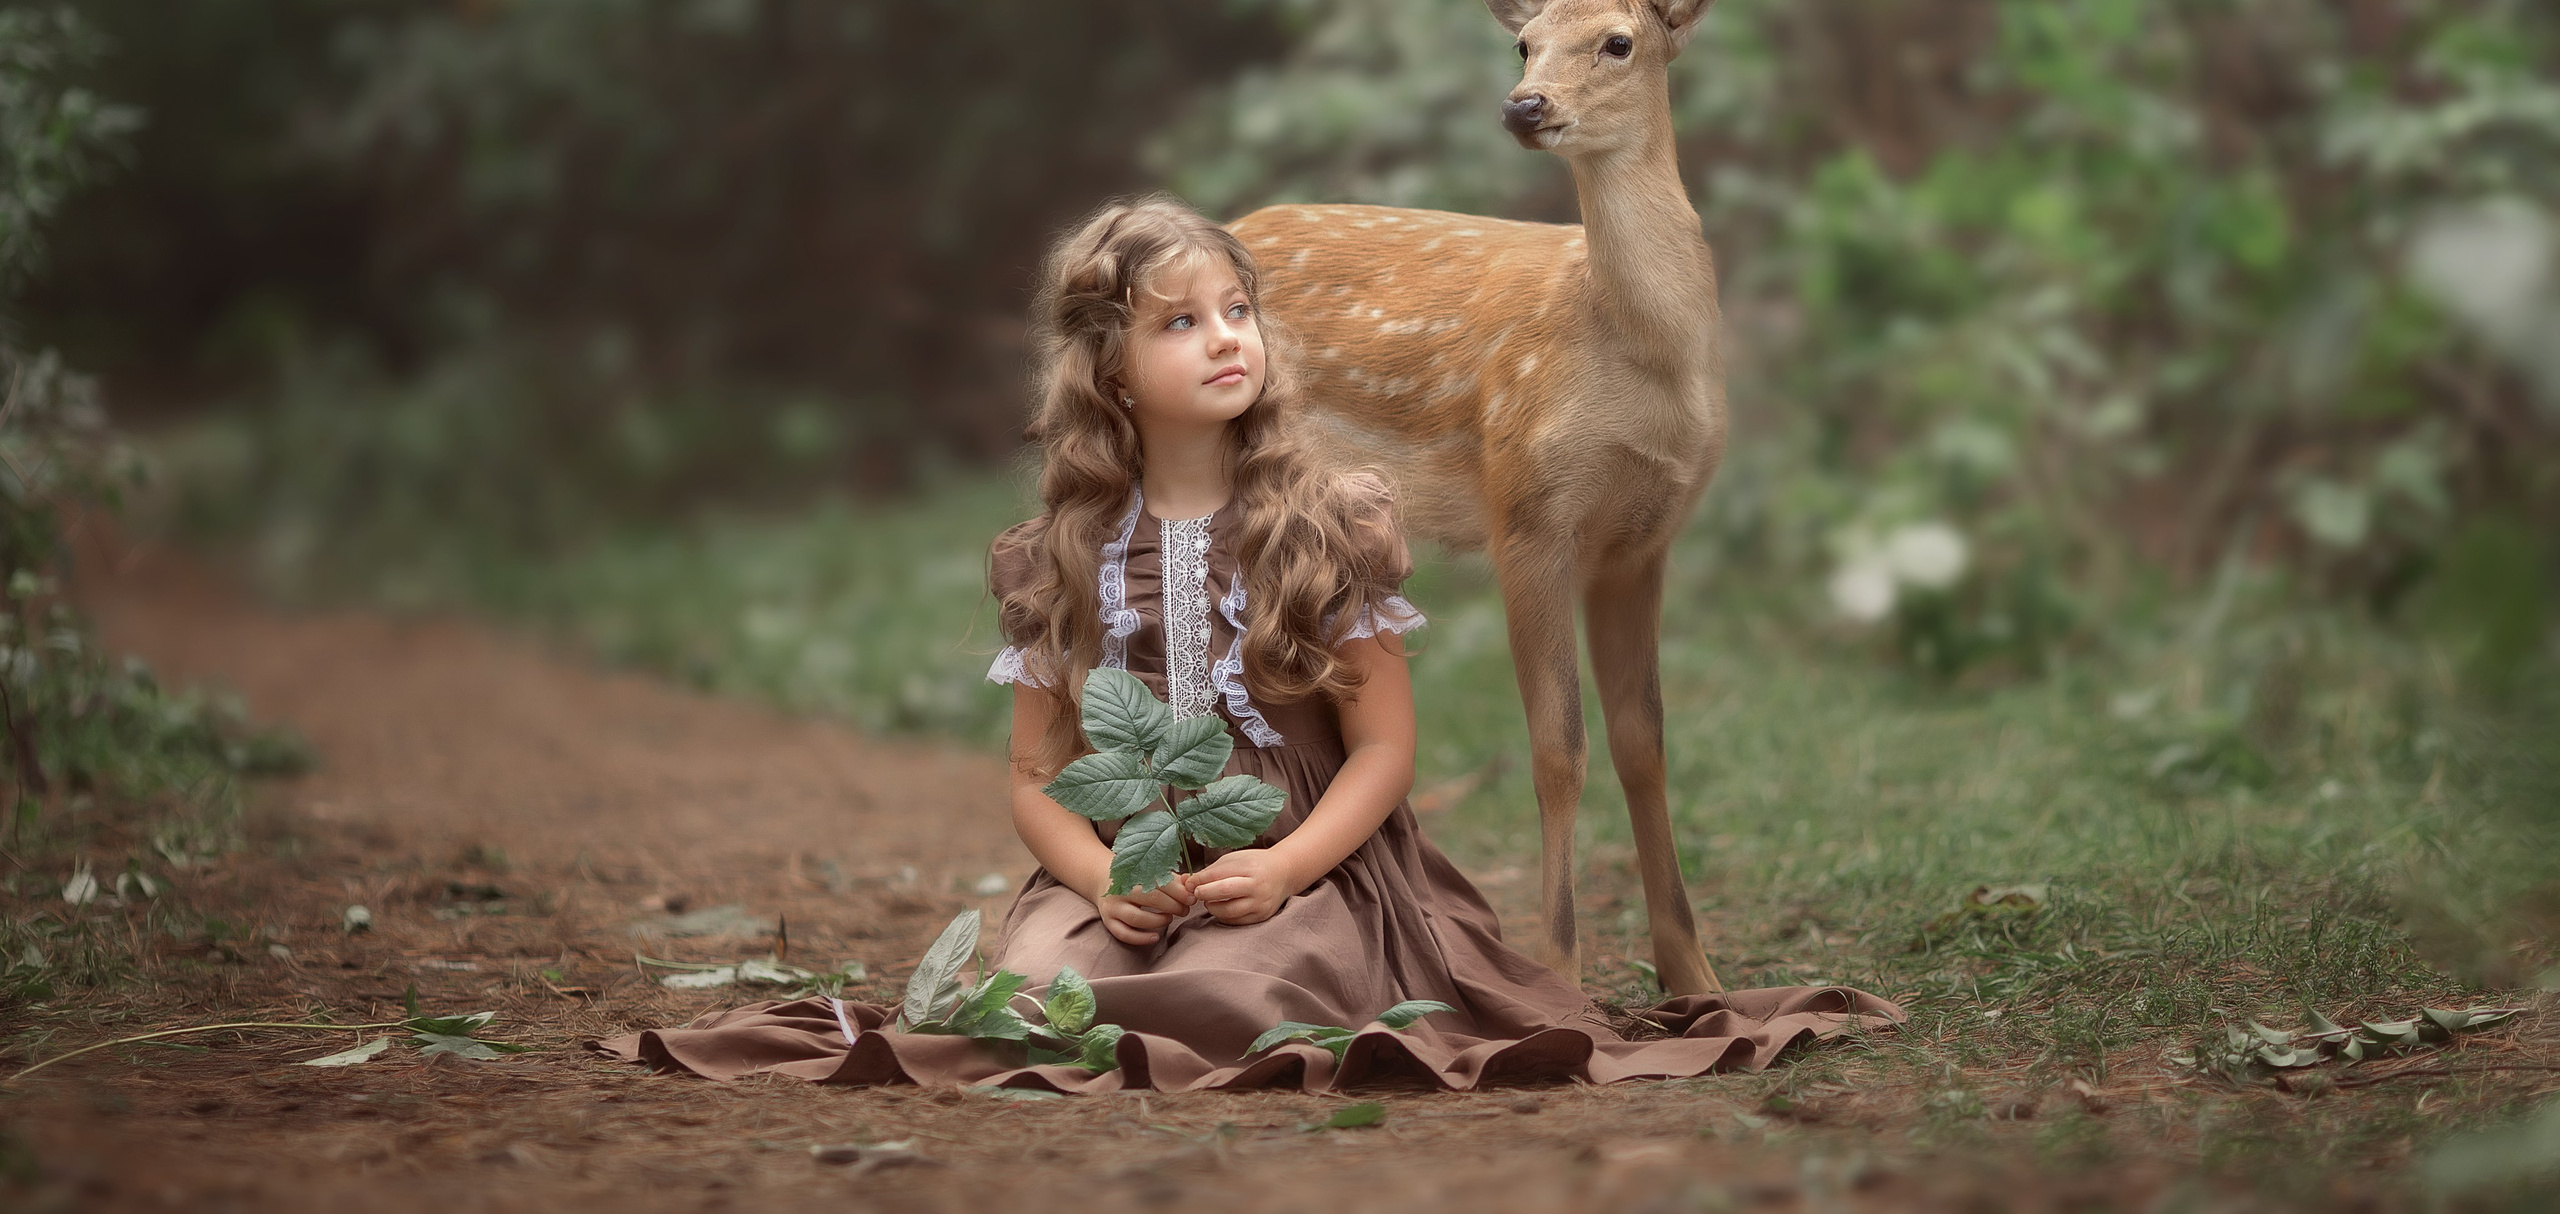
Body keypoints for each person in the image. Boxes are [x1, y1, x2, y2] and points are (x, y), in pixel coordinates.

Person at [593, 195, 1899, 1091]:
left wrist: (1283, 864)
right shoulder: (1058, 555)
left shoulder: (1328, 525)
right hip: (1131, 869)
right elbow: (1035, 775)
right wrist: (1098, 881)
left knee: (1257, 981)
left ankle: (1266, 964)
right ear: (1110, 371)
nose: (1226, 336)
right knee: (1044, 984)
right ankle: (1115, 957)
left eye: (1238, 309)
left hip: (1309, 866)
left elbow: (1383, 751)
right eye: (1181, 322)